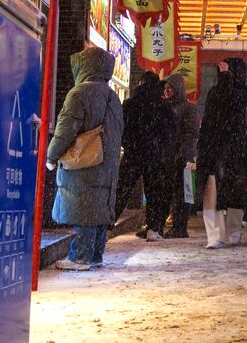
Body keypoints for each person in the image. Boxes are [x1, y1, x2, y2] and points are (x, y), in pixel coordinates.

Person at [46, 48, 124, 271]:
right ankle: (95, 254)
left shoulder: (79, 93)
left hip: (85, 161)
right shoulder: (113, 96)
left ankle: (79, 256)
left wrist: (52, 155)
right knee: (98, 209)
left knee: (84, 207)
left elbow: (65, 130)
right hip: (107, 162)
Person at [196, 57, 247, 248]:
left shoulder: (242, 93)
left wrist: (225, 79)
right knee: (215, 192)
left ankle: (230, 233)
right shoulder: (221, 91)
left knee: (232, 192)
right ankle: (219, 235)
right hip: (221, 150)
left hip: (229, 149)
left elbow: (229, 100)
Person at [121, 71, 178, 242]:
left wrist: (128, 145)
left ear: (141, 82)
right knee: (155, 193)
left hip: (133, 153)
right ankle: (154, 228)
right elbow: (171, 132)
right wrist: (163, 149)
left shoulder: (130, 104)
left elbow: (121, 128)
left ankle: (107, 226)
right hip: (156, 156)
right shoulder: (164, 106)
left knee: (122, 189)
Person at [163, 75, 200, 238]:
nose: (167, 90)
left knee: (183, 194)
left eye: (170, 87)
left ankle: (179, 227)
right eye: (165, 88)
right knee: (169, 193)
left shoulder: (188, 108)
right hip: (168, 158)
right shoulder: (166, 107)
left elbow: (191, 133)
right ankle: (168, 225)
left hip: (183, 159)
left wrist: (184, 154)